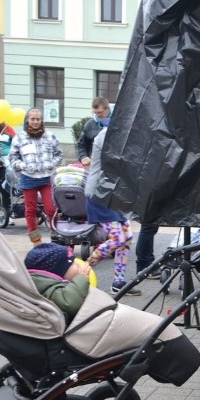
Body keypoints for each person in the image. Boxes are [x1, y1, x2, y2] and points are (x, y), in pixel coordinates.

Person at [84, 127, 140, 296]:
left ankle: (118, 282)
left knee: (127, 237)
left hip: (113, 194)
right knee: (118, 238)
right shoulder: (105, 135)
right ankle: (84, 268)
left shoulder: (123, 133)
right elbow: (117, 159)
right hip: (99, 193)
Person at [8, 108, 62, 246]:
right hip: (28, 177)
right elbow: (12, 158)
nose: (35, 122)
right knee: (30, 210)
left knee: (51, 209)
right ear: (27, 120)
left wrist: (52, 164)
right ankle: (36, 241)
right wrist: (23, 166)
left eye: (38, 119)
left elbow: (59, 154)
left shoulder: (50, 136)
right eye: (33, 119)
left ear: (42, 120)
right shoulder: (19, 137)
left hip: (47, 177)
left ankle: (56, 236)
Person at [24, 242, 91, 322]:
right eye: (73, 263)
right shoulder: (47, 288)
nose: (78, 265)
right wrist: (82, 278)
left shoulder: (43, 283)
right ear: (57, 273)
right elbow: (69, 303)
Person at [77, 97, 111, 167]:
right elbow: (81, 145)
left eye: (100, 112)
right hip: (95, 166)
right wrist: (83, 156)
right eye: (95, 112)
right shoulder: (90, 124)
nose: (98, 115)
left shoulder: (119, 122)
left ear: (108, 108)